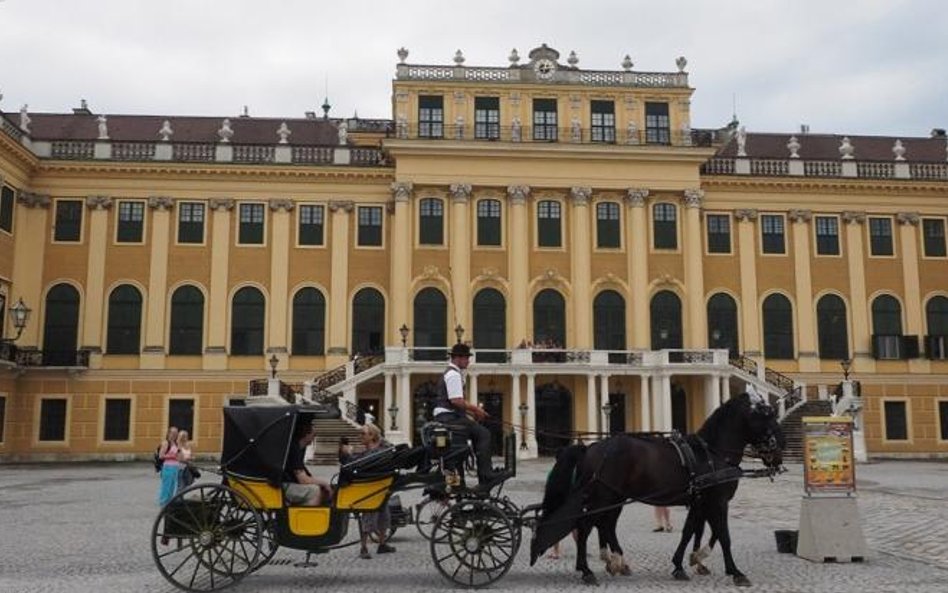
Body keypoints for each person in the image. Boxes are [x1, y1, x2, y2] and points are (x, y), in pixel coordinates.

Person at [432, 343, 505, 486]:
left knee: (473, 435)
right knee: (483, 434)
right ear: (458, 358)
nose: (468, 361)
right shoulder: (453, 374)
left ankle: (464, 482)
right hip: (450, 419)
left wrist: (471, 415)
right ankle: (486, 474)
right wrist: (476, 410)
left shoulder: (452, 373)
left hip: (450, 417)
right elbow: (456, 401)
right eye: (466, 358)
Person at [353, 423, 396, 559]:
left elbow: (392, 452)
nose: (360, 436)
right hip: (369, 487)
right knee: (368, 516)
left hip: (382, 485)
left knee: (384, 514)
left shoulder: (383, 447)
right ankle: (363, 547)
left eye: (363, 433)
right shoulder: (362, 450)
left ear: (371, 436)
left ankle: (382, 544)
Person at [283, 417, 331, 506]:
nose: (313, 439)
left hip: (289, 483)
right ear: (307, 434)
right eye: (313, 435)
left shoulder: (300, 448)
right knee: (314, 491)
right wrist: (324, 483)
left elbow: (305, 474)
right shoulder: (294, 449)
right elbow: (303, 480)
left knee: (321, 489)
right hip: (283, 486)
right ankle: (307, 518)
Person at [157, 426, 180, 507]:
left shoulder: (176, 443)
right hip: (168, 467)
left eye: (176, 433)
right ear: (169, 433)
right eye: (173, 433)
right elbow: (161, 456)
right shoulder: (166, 443)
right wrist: (172, 457)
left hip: (175, 467)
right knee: (166, 486)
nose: (174, 435)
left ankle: (169, 503)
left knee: (172, 486)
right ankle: (163, 503)